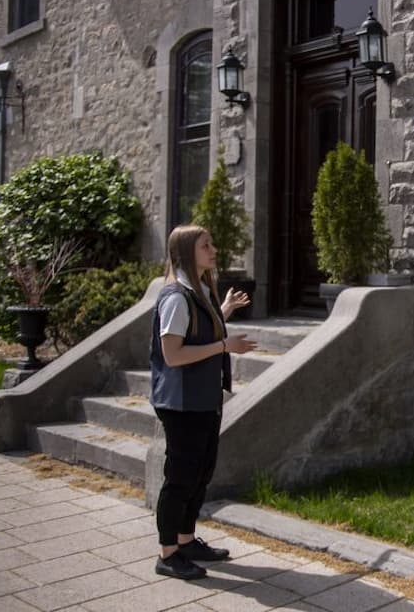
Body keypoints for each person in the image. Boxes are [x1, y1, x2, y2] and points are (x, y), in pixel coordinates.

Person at [150, 225, 255, 580]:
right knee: (180, 478)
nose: (213, 249)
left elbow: (199, 332)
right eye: (205, 245)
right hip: (180, 404)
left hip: (203, 401)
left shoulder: (199, 293)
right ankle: (168, 554)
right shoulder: (176, 297)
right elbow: (173, 354)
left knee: (200, 473)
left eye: (212, 242)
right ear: (185, 253)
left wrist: (222, 311)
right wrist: (225, 346)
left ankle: (187, 539)